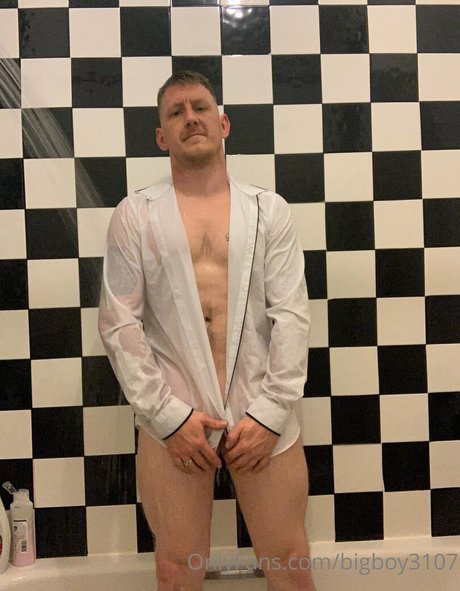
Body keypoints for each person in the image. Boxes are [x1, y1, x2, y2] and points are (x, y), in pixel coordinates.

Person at [98, 71, 315, 591]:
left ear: (223, 123)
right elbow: (119, 322)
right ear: (161, 136)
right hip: (173, 412)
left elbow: (291, 315)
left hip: (261, 407)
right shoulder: (135, 215)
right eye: (176, 112)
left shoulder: (268, 210)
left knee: (289, 559)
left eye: (200, 107)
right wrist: (168, 418)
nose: (190, 118)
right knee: (176, 568)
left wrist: (270, 413)